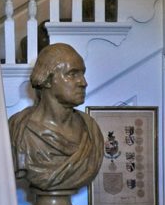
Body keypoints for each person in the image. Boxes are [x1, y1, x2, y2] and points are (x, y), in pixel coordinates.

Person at [8, 43, 104, 192]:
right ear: (46, 79)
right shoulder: (18, 128)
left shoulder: (91, 130)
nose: (84, 83)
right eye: (72, 74)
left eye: (82, 74)